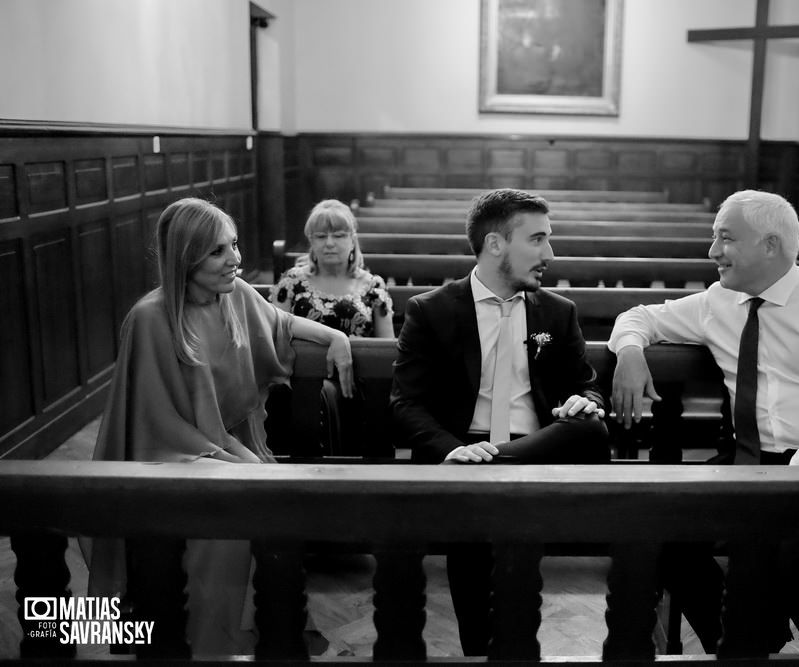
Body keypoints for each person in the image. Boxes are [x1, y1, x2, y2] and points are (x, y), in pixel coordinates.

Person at [608, 190, 799, 657]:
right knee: (666, 528)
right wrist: (631, 352)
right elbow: (638, 316)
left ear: (771, 245)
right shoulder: (719, 301)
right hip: (750, 461)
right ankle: (747, 642)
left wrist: (781, 491)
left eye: (726, 238)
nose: (713, 251)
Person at [87, 197, 355, 656]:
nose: (236, 259)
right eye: (218, 251)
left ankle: (267, 632)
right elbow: (152, 425)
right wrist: (228, 458)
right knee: (238, 511)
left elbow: (282, 322)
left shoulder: (237, 295)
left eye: (233, 245)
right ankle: (211, 643)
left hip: (229, 444)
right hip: (172, 458)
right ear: (185, 256)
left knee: (267, 499)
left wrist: (335, 336)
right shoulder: (150, 318)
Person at [390, 187, 609, 655]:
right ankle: (479, 653)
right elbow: (406, 403)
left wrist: (584, 402)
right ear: (495, 244)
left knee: (591, 427)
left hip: (539, 449)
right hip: (462, 450)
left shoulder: (557, 311)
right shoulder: (432, 311)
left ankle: (487, 470)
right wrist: (452, 448)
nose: (549, 253)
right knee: (473, 529)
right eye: (537, 239)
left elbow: (586, 385)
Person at [270, 199, 393, 455]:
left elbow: (387, 348)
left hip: (355, 383)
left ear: (352, 240)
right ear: (311, 242)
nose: (329, 243)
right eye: (320, 236)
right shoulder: (293, 282)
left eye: (338, 235)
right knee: (305, 392)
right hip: (298, 378)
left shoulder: (372, 286)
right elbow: (275, 331)